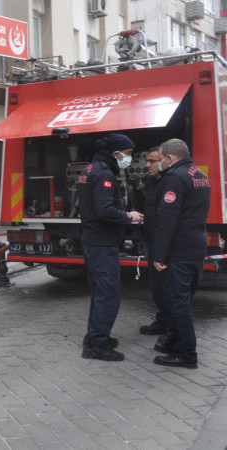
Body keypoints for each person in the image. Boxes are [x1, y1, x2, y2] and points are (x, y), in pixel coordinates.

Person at [77, 133, 143, 362]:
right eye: (128, 153)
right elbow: (104, 210)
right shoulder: (104, 173)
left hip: (94, 241)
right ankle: (96, 344)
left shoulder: (90, 169)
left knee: (100, 292)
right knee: (108, 294)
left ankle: (96, 335)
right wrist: (129, 216)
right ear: (116, 153)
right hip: (102, 243)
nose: (129, 158)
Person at [151, 138, 210, 369]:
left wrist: (159, 255)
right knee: (182, 301)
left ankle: (186, 354)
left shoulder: (175, 177)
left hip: (179, 251)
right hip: (196, 248)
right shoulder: (200, 175)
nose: (160, 163)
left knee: (177, 304)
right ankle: (173, 342)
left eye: (161, 158)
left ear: (169, 157)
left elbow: (168, 219)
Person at [138, 147, 169, 336]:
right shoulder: (151, 183)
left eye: (152, 161)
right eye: (147, 161)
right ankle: (163, 321)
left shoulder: (169, 184)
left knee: (167, 288)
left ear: (165, 161)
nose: (148, 165)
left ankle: (171, 328)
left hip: (163, 245)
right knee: (157, 287)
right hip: (152, 241)